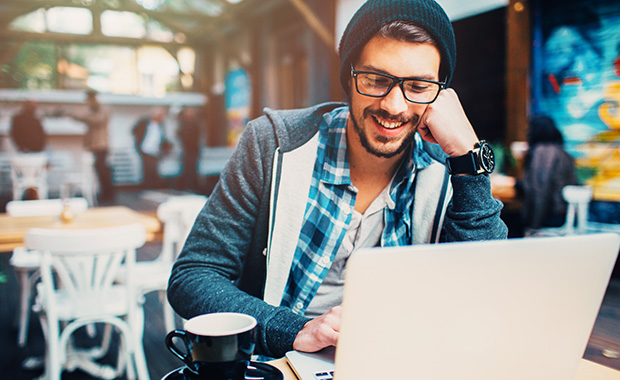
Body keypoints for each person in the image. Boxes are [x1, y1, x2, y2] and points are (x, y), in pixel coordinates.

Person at [168, 0, 508, 359]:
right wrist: (295, 329)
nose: (394, 106)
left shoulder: (448, 170)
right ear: (349, 77)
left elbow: (484, 292)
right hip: (279, 362)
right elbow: (193, 277)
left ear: (440, 95)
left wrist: (469, 159)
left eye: (419, 87)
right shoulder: (272, 144)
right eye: (376, 80)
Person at [518, 115, 577, 230]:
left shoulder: (542, 152)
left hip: (548, 214)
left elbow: (539, 189)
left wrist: (534, 224)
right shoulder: (561, 152)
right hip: (561, 214)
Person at [67, 90, 115, 202]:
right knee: (99, 170)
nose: (87, 102)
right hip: (95, 145)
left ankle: (108, 195)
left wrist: (78, 116)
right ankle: (104, 193)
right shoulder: (93, 111)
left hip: (101, 145)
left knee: (103, 170)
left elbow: (97, 120)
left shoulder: (103, 109)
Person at [132, 106, 172, 189]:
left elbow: (162, 138)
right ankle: (147, 188)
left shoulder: (161, 126)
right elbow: (134, 130)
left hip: (155, 151)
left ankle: (152, 188)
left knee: (153, 171)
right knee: (148, 170)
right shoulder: (145, 122)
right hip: (145, 150)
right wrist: (139, 139)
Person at [176, 106, 202, 191]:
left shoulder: (194, 124)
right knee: (187, 168)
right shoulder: (184, 123)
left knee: (192, 168)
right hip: (187, 149)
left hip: (193, 149)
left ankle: (191, 186)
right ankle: (188, 186)